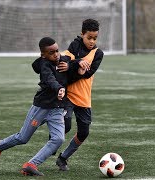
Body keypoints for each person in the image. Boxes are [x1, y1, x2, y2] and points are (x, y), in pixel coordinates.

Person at [0, 37, 83, 176]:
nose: (56, 54)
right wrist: (59, 88)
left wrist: (78, 62)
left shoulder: (63, 60)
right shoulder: (45, 65)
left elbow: (71, 61)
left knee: (58, 139)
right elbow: (49, 78)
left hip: (57, 109)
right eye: (51, 52)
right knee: (23, 138)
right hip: (42, 108)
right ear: (43, 55)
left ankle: (31, 164)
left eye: (57, 50)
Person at [55, 19, 104, 171]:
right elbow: (65, 64)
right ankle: (53, 142)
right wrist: (77, 62)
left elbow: (87, 74)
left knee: (84, 132)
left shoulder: (98, 54)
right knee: (66, 124)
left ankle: (63, 158)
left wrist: (75, 66)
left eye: (95, 38)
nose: (92, 41)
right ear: (82, 34)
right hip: (69, 94)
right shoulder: (74, 45)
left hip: (84, 97)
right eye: (89, 37)